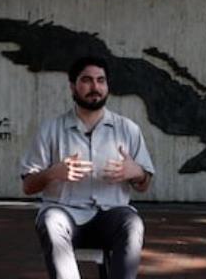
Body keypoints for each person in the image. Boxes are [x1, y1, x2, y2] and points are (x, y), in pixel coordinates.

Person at [20, 56, 155, 279]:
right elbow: (28, 186)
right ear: (73, 86)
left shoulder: (128, 129)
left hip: (110, 216)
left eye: (101, 80)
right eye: (87, 80)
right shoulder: (50, 129)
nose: (95, 87)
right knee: (50, 219)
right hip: (66, 216)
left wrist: (137, 172)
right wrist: (52, 172)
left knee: (132, 222)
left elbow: (144, 185)